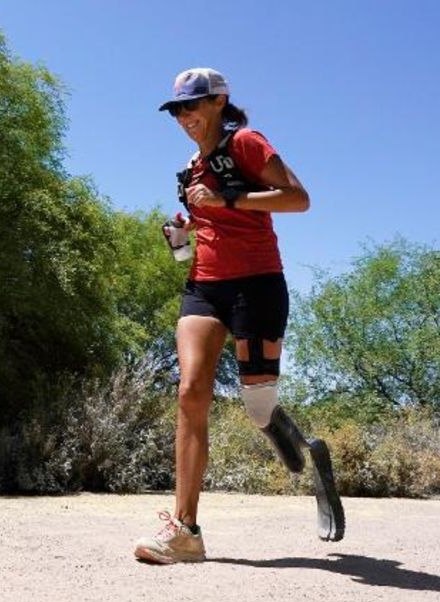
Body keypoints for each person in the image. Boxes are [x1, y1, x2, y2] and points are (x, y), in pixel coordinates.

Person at [134, 68, 345, 564]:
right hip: (205, 287)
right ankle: (185, 531)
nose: (185, 117)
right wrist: (180, 242)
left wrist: (229, 197)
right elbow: (186, 256)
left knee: (257, 408)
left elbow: (299, 199)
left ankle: (307, 450)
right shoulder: (188, 171)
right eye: (178, 110)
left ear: (218, 102)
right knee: (191, 392)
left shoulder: (246, 143)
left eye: (194, 106)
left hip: (258, 285)